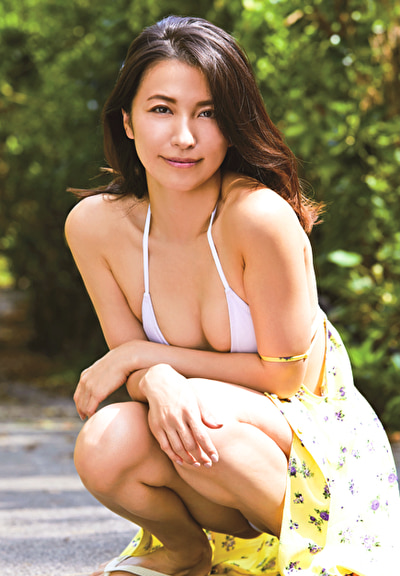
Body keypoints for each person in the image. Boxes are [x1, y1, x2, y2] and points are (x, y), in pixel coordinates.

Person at [65, 15, 399, 576]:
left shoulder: (257, 218)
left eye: (208, 113)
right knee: (105, 440)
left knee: (201, 410)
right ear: (127, 121)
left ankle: (316, 559)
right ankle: (187, 552)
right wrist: (155, 375)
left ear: (234, 124)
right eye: (162, 109)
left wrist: (147, 360)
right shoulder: (95, 227)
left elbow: (285, 378)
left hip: (318, 455)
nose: (184, 137)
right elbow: (134, 367)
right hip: (208, 446)